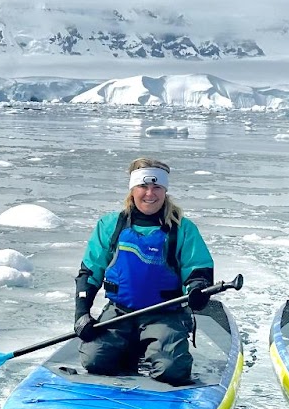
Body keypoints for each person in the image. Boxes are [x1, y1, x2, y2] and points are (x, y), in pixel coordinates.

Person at [73, 158, 215, 386]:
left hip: (164, 313)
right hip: (120, 312)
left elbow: (198, 269)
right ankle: (134, 344)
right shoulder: (110, 225)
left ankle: (157, 343)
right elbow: (90, 272)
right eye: (143, 186)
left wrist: (198, 289)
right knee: (95, 361)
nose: (150, 193)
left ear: (165, 190)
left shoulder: (181, 228)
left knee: (172, 370)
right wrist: (82, 313)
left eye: (157, 187)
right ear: (132, 189)